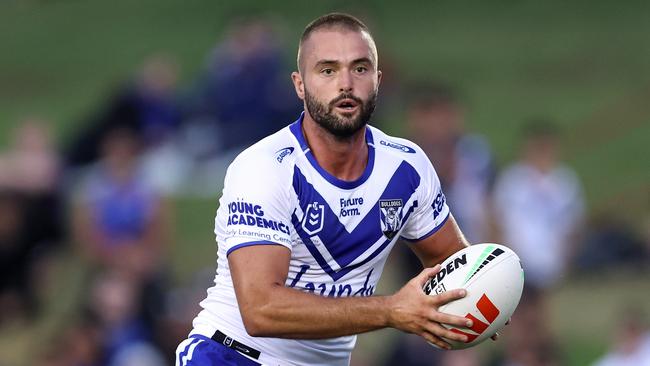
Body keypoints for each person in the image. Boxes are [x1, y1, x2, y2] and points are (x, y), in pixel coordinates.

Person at [176, 13, 485, 366]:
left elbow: (458, 267)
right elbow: (261, 310)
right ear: (299, 85)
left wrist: (489, 294)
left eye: (360, 68)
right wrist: (390, 310)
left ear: (378, 80)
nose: (346, 84)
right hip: (232, 356)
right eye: (327, 70)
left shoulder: (408, 167)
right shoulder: (263, 169)